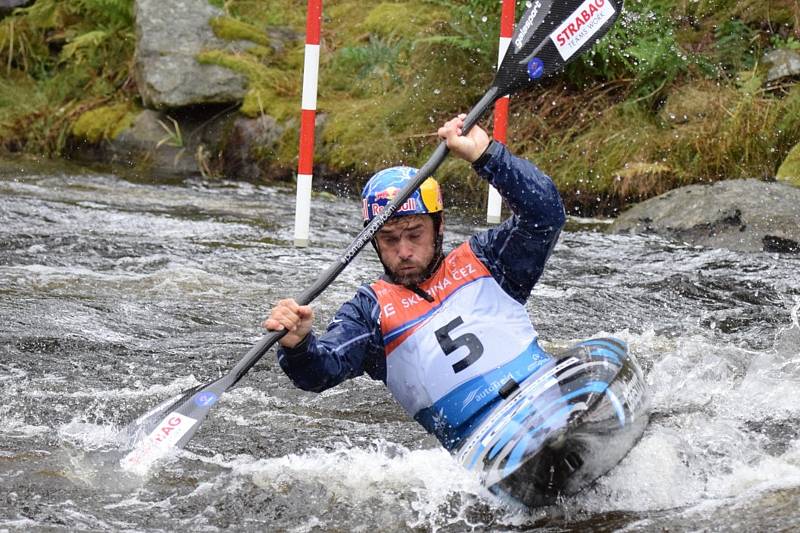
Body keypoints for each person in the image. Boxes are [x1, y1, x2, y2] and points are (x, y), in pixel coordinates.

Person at [264, 114, 566, 452]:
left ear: (439, 227)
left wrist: (487, 155)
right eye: (390, 239)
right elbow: (319, 371)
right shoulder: (369, 313)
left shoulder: (489, 260)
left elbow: (546, 215)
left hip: (553, 404)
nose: (404, 251)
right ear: (373, 242)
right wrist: (299, 345)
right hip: (486, 447)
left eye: (414, 234)